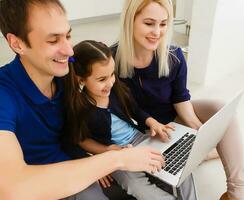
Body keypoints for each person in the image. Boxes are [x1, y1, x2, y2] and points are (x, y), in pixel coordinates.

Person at [0, 1, 165, 199]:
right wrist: (113, 159)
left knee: (160, 177)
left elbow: (109, 78)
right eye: (53, 41)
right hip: (42, 183)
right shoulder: (5, 94)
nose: (69, 51)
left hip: (78, 163)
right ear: (17, 44)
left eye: (68, 36)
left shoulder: (67, 72)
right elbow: (13, 188)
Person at [112, 0, 244, 200]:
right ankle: (206, 152)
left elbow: (180, 97)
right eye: (149, 23)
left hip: (175, 119)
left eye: (163, 24)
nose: (157, 32)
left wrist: (196, 128)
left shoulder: (174, 55)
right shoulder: (111, 59)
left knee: (220, 107)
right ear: (130, 21)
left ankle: (237, 193)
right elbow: (113, 110)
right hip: (147, 131)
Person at [63, 40, 180, 200]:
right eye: (101, 79)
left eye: (112, 74)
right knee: (135, 185)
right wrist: (106, 152)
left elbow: (135, 109)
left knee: (173, 162)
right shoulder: (78, 107)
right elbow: (80, 140)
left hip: (139, 138)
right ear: (81, 80)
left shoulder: (115, 88)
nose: (110, 82)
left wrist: (152, 122)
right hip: (114, 155)